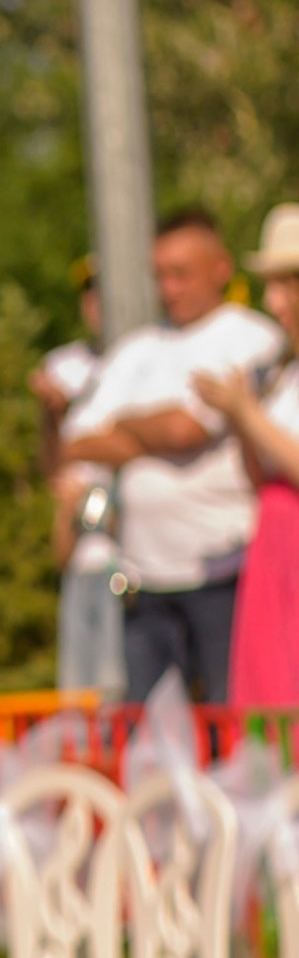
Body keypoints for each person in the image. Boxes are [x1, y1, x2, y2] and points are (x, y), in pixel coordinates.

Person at [57, 205, 282, 705]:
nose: (169, 288)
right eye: (160, 275)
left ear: (220, 268)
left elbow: (186, 429)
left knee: (230, 729)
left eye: (182, 274)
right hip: (142, 582)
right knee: (149, 740)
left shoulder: (250, 337)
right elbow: (75, 440)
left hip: (223, 576)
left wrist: (123, 425)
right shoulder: (136, 349)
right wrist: (156, 428)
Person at [194, 206, 299, 711]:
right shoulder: (284, 373)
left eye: (285, 284)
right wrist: (238, 419)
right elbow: (262, 476)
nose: (274, 301)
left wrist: (247, 412)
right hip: (275, 547)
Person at [34, 267, 127, 700]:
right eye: (89, 295)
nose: (96, 305)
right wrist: (50, 413)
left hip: (127, 544)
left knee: (121, 681)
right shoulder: (63, 365)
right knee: (81, 687)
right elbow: (52, 467)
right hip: (79, 537)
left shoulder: (139, 357)